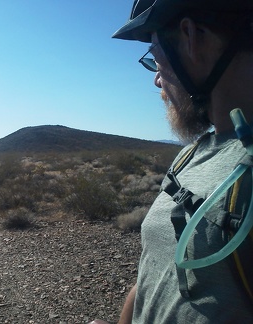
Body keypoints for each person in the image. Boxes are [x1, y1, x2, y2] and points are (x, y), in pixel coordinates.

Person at [106, 0, 253, 323]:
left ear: (190, 38)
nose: (158, 81)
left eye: (156, 60)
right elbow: (152, 276)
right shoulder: (191, 154)